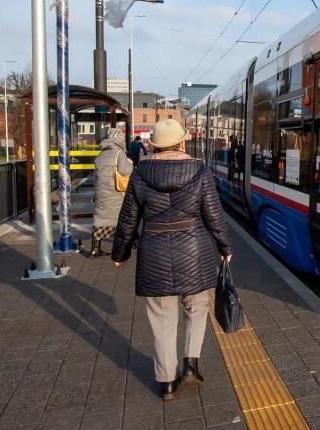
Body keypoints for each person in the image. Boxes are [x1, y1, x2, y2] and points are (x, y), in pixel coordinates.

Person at [111, 120, 233, 401]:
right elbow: (214, 216)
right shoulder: (200, 171)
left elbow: (128, 218)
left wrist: (120, 253)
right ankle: (190, 364)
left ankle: (166, 382)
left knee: (162, 317)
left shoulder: (140, 174)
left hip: (154, 253)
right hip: (195, 250)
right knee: (197, 306)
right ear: (182, 143)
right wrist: (225, 246)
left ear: (152, 145)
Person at [90, 128, 133, 257]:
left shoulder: (102, 153)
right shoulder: (119, 153)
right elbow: (125, 171)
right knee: (121, 217)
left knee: (100, 217)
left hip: (101, 191)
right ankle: (124, 247)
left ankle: (95, 248)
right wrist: (131, 164)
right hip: (115, 191)